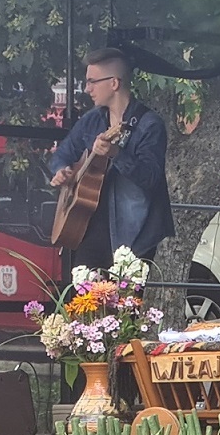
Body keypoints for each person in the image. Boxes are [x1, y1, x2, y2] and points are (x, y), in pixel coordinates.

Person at [49, 47, 174, 270]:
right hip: (87, 227)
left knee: (124, 293)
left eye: (92, 81)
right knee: (85, 292)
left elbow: (151, 178)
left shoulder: (149, 125)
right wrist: (61, 170)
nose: (87, 89)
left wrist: (116, 154)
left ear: (114, 83)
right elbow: (63, 153)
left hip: (134, 233)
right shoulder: (92, 120)